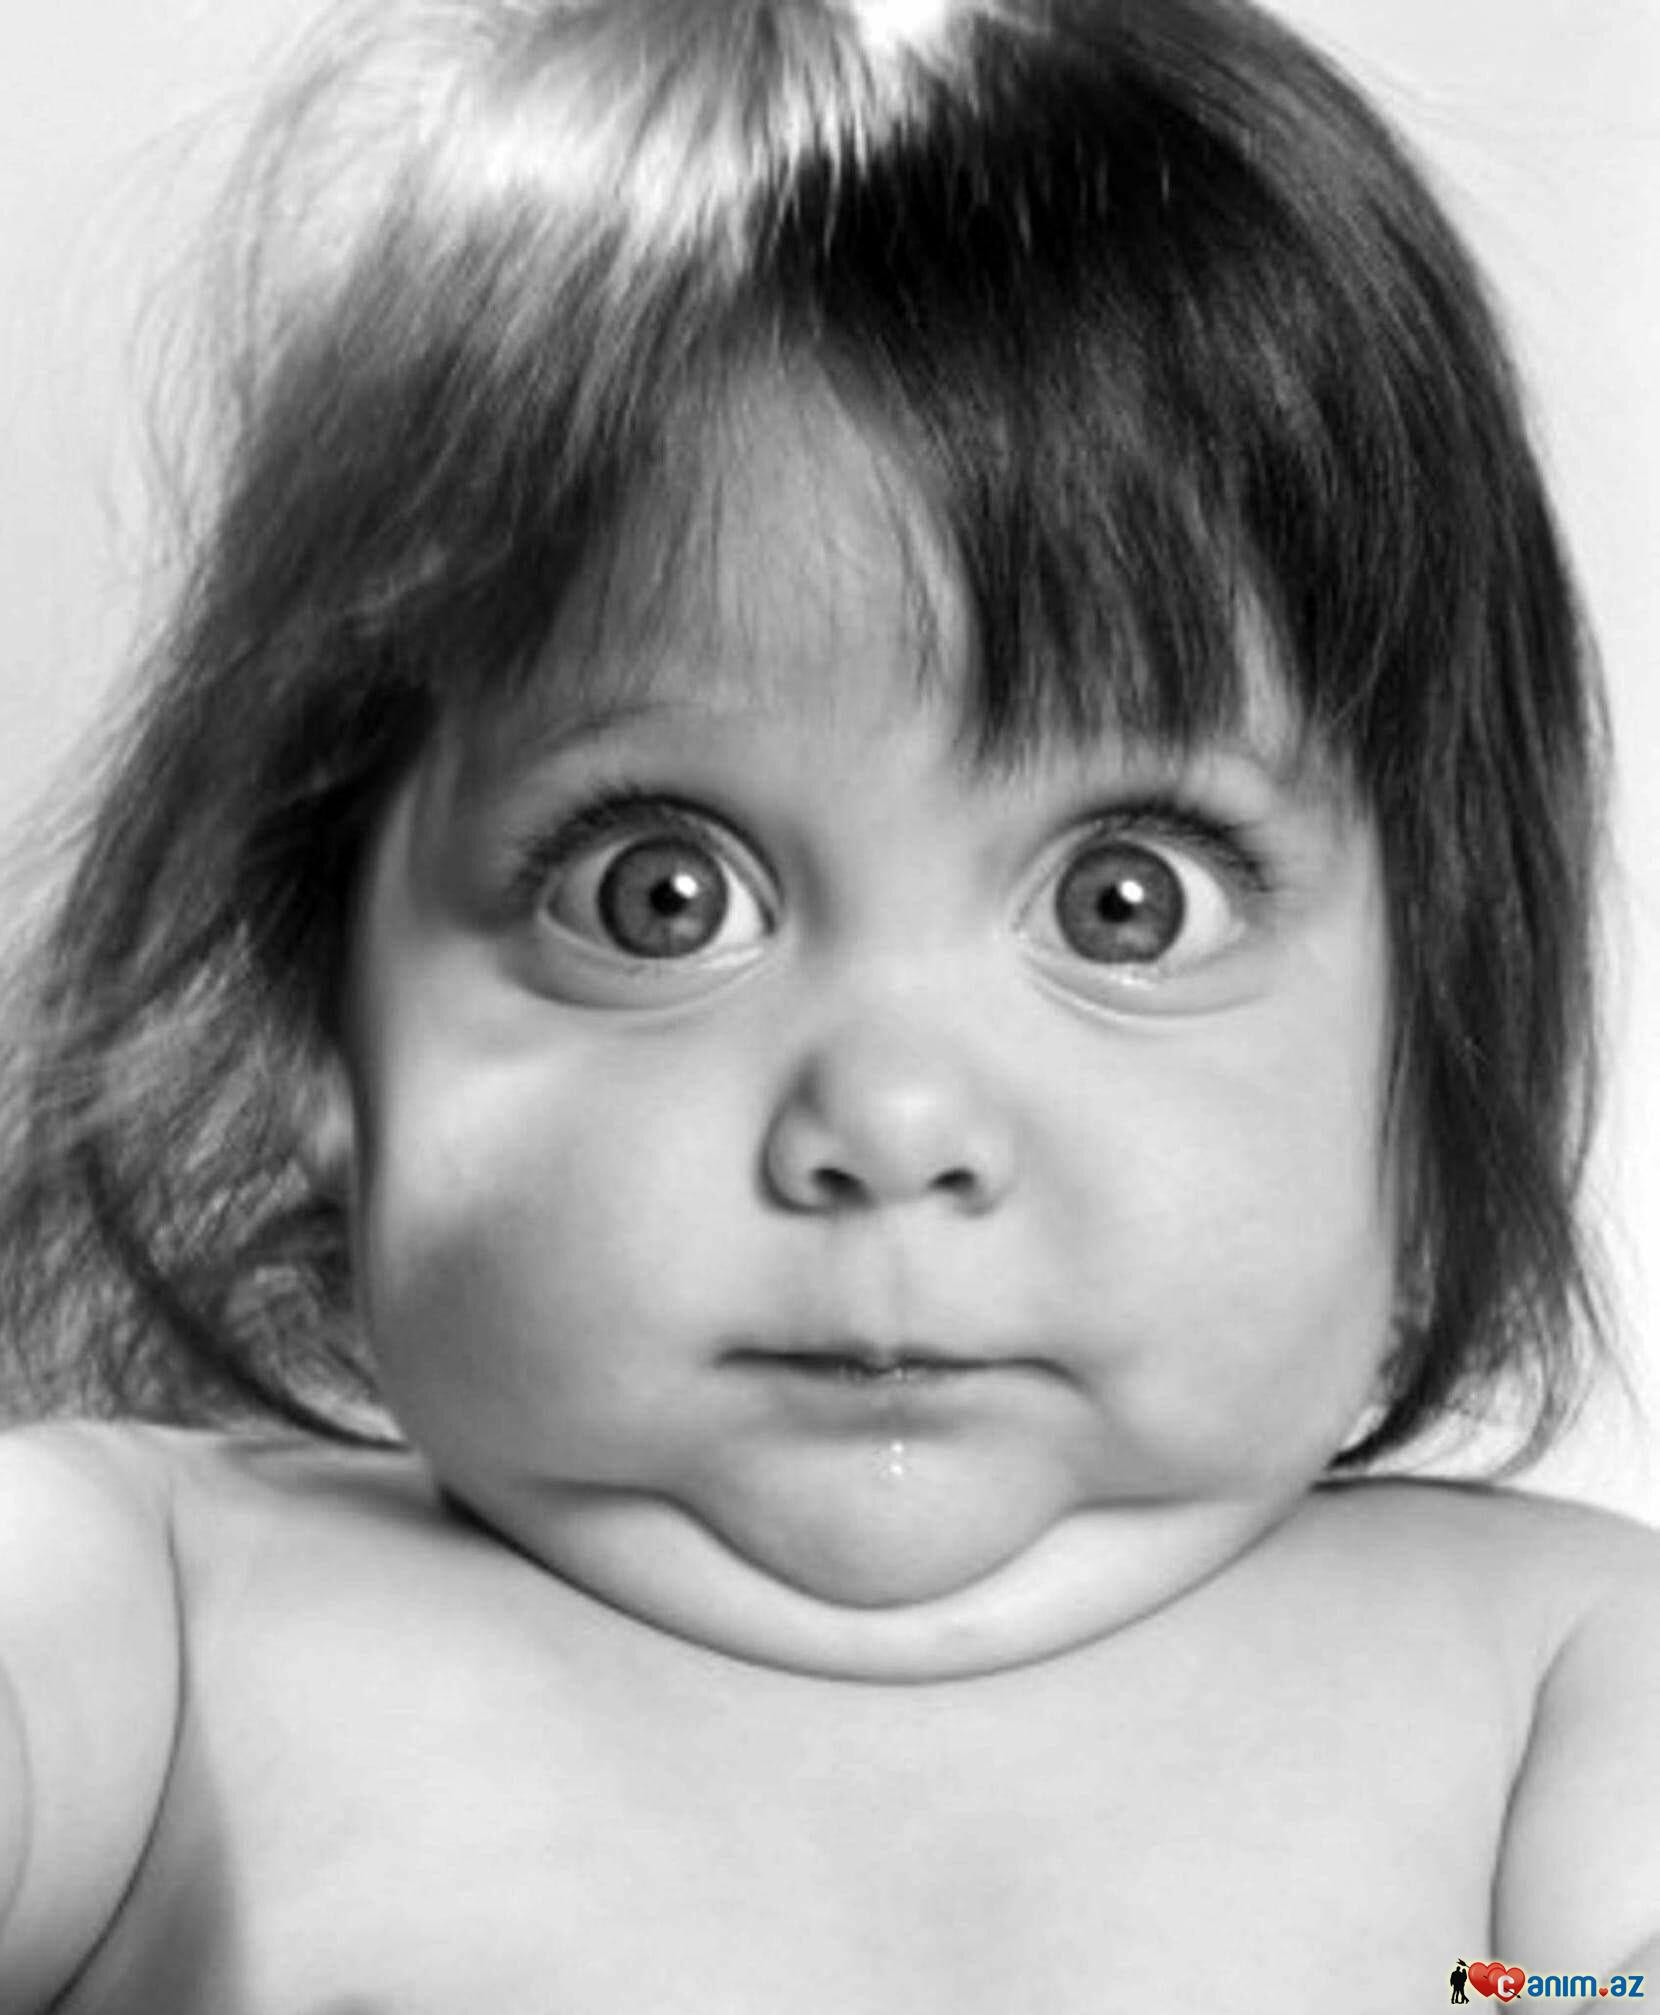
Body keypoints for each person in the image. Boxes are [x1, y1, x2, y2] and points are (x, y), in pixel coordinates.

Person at [0, 0, 1655, 2005]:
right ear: (315, 1014)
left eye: (1124, 902)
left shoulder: (1563, 1701)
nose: (888, 1119)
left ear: (1433, 1028)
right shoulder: (136, 1628)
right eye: (659, 895)